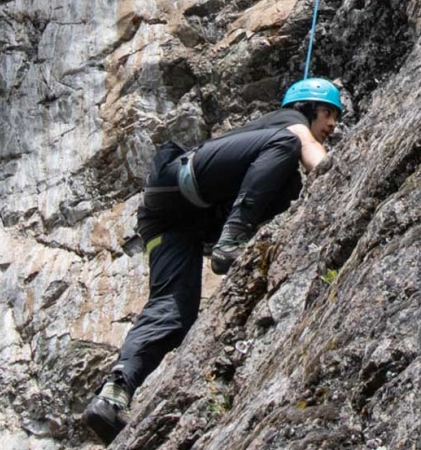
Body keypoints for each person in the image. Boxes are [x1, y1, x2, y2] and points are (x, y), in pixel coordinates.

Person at [83, 78, 343, 444]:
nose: (333, 124)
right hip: (182, 180)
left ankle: (113, 395)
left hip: (167, 217)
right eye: (328, 112)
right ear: (305, 107)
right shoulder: (289, 122)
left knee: (174, 313)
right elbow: (313, 154)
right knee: (287, 149)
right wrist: (344, 174)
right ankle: (231, 240)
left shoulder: (273, 164)